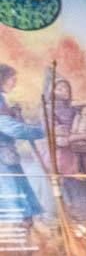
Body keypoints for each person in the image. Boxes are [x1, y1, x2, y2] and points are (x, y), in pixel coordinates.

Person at [52, 78, 86, 223]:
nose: (65, 91)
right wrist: (84, 136)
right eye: (60, 89)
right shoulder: (50, 111)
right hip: (68, 161)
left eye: (67, 88)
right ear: (52, 91)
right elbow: (60, 140)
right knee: (78, 201)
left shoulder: (76, 107)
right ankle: (82, 229)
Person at [0, 64, 45, 224]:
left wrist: (15, 114)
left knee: (23, 209)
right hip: (3, 162)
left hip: (8, 158)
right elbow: (11, 128)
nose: (15, 82)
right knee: (14, 209)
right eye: (12, 78)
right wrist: (42, 131)